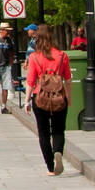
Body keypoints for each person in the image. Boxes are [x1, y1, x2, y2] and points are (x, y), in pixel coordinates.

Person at [26, 24, 72, 176]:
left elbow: (30, 82)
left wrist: (27, 101)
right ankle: (58, 151)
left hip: (41, 98)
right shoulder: (62, 56)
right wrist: (69, 98)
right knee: (58, 130)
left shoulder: (34, 57)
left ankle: (50, 167)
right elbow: (68, 79)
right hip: (59, 97)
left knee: (44, 133)